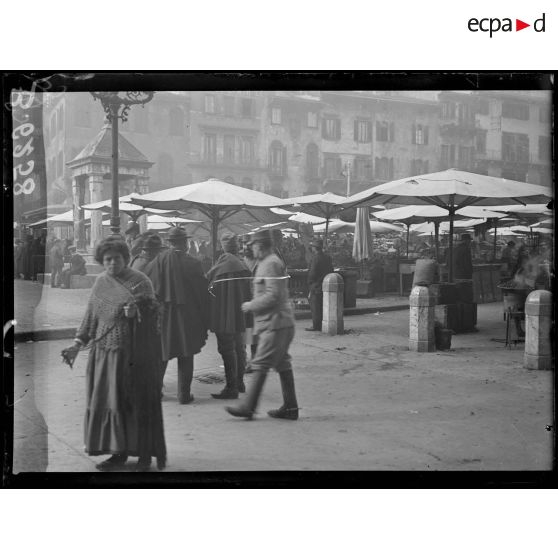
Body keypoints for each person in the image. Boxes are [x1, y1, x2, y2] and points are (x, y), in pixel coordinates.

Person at [60, 237, 166, 472]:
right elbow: (90, 319)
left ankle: (144, 456)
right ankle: (117, 452)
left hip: (133, 358)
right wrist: (77, 345)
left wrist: (136, 313)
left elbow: (155, 320)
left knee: (134, 404)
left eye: (116, 258)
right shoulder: (100, 283)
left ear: (126, 258)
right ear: (101, 261)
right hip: (103, 356)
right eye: (107, 259)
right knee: (110, 403)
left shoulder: (141, 282)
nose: (112, 263)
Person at [226, 229, 299, 421]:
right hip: (277, 322)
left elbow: (273, 295)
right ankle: (291, 408)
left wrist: (250, 305)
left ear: (260, 245)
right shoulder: (266, 262)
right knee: (282, 363)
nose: (250, 249)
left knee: (260, 363)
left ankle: (248, 407)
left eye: (252, 246)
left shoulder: (270, 263)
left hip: (275, 323)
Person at [145, 227, 209, 404]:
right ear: (185, 243)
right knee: (186, 354)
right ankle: (184, 394)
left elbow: (148, 284)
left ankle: (156, 391)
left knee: (162, 353)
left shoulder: (157, 261)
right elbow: (202, 293)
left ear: (170, 243)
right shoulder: (193, 263)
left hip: (163, 315)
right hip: (187, 316)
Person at [206, 233, 252, 399]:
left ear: (224, 247)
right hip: (240, 314)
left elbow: (207, 283)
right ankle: (239, 383)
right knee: (240, 347)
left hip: (224, 315)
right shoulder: (243, 264)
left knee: (227, 348)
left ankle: (231, 387)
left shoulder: (222, 264)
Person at [306, 238, 334, 332]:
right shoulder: (327, 257)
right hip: (326, 284)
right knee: (323, 305)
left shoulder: (315, 258)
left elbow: (312, 273)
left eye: (312, 247)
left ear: (314, 248)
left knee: (315, 306)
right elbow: (331, 270)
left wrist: (310, 283)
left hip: (316, 285)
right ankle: (323, 323)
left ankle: (316, 325)